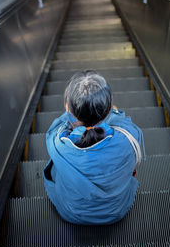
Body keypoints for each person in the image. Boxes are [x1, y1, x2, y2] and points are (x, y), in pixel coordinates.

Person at [44, 70, 145, 225]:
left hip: (72, 212)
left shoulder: (57, 141)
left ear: (67, 108)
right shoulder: (130, 136)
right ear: (109, 107)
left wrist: (79, 110)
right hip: (116, 211)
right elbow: (119, 118)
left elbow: (62, 123)